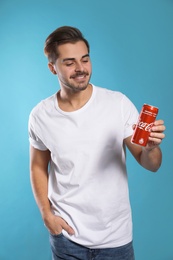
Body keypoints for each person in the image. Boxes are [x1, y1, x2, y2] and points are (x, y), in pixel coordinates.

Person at [28, 26, 165, 260]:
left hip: (116, 239)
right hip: (67, 239)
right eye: (69, 62)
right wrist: (46, 215)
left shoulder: (117, 104)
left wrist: (151, 149)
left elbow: (150, 164)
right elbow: (38, 167)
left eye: (85, 59)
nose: (81, 68)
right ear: (53, 68)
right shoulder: (40, 115)